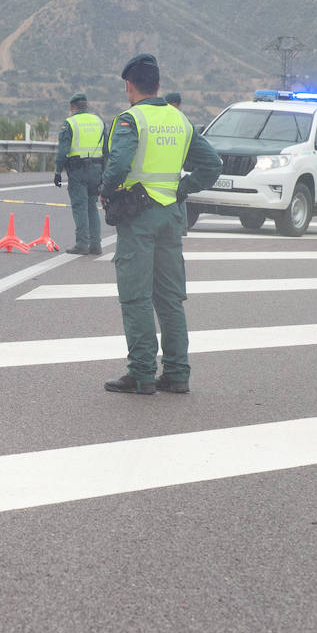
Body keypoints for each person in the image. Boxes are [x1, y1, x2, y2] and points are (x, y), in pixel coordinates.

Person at [98, 54, 220, 395]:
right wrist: (183, 187)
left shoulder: (131, 120)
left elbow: (120, 162)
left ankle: (141, 374)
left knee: (136, 298)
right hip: (171, 217)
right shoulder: (179, 120)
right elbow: (212, 164)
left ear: (129, 85)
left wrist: (105, 191)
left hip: (138, 218)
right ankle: (178, 374)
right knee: (169, 298)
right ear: (159, 86)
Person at [53, 93, 104, 255]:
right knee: (92, 206)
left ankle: (82, 244)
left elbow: (63, 150)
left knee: (80, 206)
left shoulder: (70, 123)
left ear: (71, 107)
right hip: (97, 170)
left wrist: (57, 171)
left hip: (78, 170)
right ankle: (96, 245)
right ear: (86, 106)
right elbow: (108, 149)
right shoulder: (99, 122)